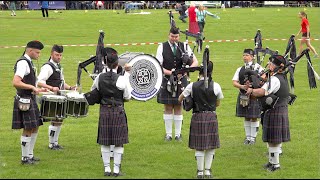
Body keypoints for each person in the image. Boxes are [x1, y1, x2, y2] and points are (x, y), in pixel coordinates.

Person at [90, 47, 132, 177]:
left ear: (106, 63)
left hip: (104, 111)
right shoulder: (121, 79)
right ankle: (117, 170)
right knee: (118, 141)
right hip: (118, 110)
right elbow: (128, 97)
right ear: (117, 64)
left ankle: (107, 169)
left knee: (105, 141)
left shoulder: (99, 78)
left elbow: (94, 92)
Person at [178, 60, 223, 179]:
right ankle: (207, 171)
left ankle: (200, 172)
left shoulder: (192, 85)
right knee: (211, 145)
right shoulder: (216, 86)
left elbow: (180, 98)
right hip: (211, 116)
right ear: (211, 71)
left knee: (199, 146)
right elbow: (217, 103)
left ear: (200, 72)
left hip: (197, 116)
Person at [245, 55, 290, 172]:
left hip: (275, 110)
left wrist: (251, 90)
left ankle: (275, 165)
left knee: (273, 140)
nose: (269, 66)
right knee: (272, 139)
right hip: (279, 109)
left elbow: (262, 92)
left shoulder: (275, 79)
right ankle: (271, 162)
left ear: (277, 67)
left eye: (271, 64)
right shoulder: (282, 77)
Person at [156, 26, 198, 142]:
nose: (174, 39)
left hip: (182, 79)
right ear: (168, 35)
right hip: (167, 79)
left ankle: (178, 134)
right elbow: (158, 65)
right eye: (172, 36)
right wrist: (171, 73)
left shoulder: (184, 46)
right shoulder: (161, 47)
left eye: (176, 36)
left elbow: (195, 62)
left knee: (179, 105)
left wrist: (185, 71)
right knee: (168, 106)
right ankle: (168, 134)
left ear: (179, 36)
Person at [37, 45, 76, 150]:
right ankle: (51, 144)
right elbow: (39, 82)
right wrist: (51, 88)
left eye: (60, 55)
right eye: (57, 55)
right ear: (51, 54)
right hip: (51, 97)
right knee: (55, 119)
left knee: (59, 119)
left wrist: (71, 87)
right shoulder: (47, 67)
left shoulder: (58, 66)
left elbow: (61, 82)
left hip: (59, 97)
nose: (59, 57)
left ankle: (55, 143)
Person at [12, 40, 44, 164]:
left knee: (35, 126)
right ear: (30, 51)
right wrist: (31, 88)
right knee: (28, 128)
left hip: (30, 98)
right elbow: (16, 82)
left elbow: (28, 81)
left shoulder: (28, 62)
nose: (38, 55)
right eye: (37, 52)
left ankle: (30, 155)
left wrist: (37, 88)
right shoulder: (23, 63)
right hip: (24, 99)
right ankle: (25, 158)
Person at [232, 49, 264, 145]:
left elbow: (264, 80)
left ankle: (253, 138)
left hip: (254, 96)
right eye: (244, 55)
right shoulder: (240, 69)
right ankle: (248, 137)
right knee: (246, 116)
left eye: (247, 55)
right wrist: (242, 86)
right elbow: (234, 82)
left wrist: (256, 85)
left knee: (254, 117)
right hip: (243, 95)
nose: (245, 57)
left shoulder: (259, 68)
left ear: (253, 57)